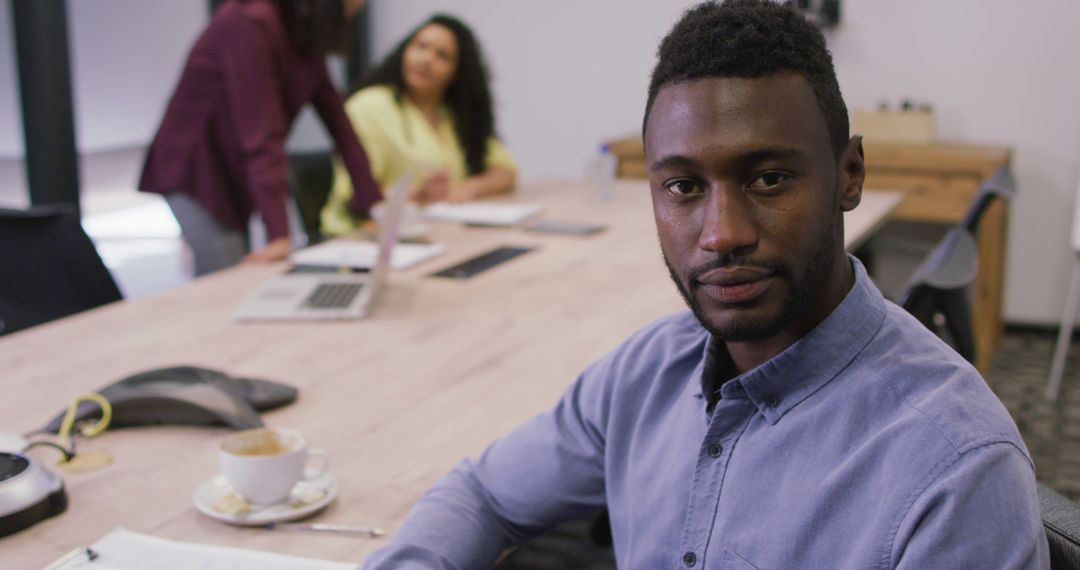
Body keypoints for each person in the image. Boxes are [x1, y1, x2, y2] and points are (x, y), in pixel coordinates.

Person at [363, 1, 1048, 568]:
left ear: (849, 174)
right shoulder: (644, 374)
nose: (721, 233)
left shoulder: (955, 469)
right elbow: (483, 493)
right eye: (684, 187)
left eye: (768, 178)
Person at [139, 0, 381, 276]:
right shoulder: (250, 21)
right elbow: (262, 135)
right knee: (230, 281)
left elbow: (341, 126)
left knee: (243, 279)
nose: (356, 9)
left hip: (232, 170)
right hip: (196, 171)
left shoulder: (302, 34)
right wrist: (278, 235)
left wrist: (374, 203)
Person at [320, 14, 517, 238]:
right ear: (405, 50)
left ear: (457, 72)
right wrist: (417, 194)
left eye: (441, 56)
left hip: (434, 234)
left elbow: (506, 171)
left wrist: (468, 188)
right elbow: (356, 196)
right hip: (362, 240)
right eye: (421, 46)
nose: (426, 59)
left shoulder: (453, 114)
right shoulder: (369, 107)